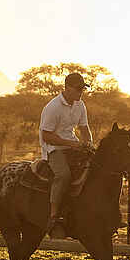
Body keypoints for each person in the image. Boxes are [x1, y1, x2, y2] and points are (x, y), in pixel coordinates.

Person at [38, 71, 94, 237]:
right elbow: (46, 136)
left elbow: (84, 128)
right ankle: (53, 216)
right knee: (63, 175)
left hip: (73, 144)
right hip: (53, 148)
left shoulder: (80, 104)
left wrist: (89, 143)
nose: (80, 92)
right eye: (78, 89)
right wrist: (73, 144)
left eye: (82, 89)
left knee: (94, 167)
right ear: (67, 88)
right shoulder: (53, 107)